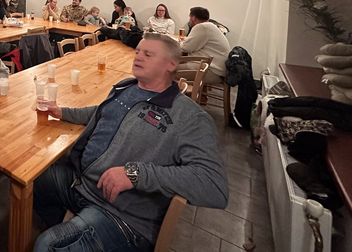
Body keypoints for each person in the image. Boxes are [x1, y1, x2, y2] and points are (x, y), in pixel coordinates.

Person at [33, 34, 228, 252]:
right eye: (137, 52)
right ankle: (75, 227)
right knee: (33, 180)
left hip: (120, 213)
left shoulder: (190, 117)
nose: (138, 57)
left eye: (148, 54)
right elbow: (102, 111)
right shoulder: (126, 87)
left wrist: (135, 174)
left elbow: (214, 185)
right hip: (84, 184)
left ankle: (82, 233)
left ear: (171, 64)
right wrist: (62, 112)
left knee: (47, 245)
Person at [179, 7, 230, 84]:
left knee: (167, 69)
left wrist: (180, 43)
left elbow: (186, 48)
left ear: (193, 18)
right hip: (217, 70)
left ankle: (179, 90)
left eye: (189, 17)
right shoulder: (210, 26)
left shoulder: (201, 27)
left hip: (211, 71)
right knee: (172, 65)